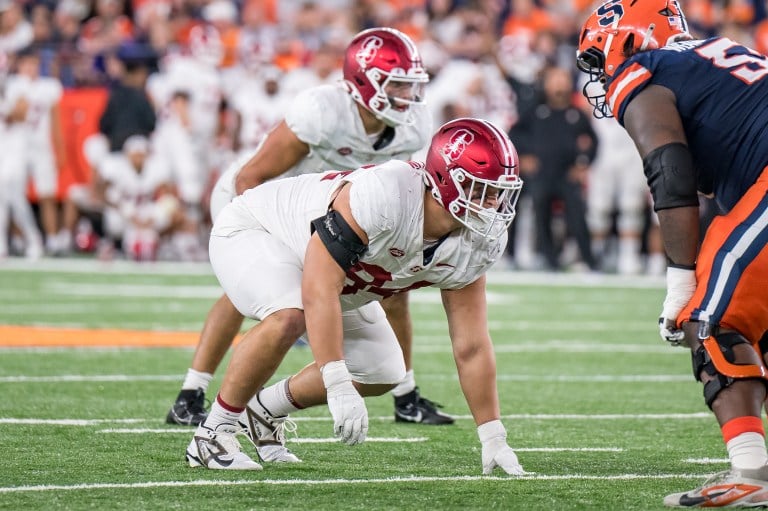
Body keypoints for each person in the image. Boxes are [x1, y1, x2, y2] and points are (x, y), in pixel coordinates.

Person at [185, 117, 526, 474]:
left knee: (383, 369)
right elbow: (318, 287)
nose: (493, 202)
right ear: (443, 180)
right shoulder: (387, 195)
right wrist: (336, 382)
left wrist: (493, 436)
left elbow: (470, 345)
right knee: (289, 315)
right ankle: (213, 432)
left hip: (339, 278)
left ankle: (264, 410)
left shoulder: (478, 241)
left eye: (498, 191)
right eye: (479, 189)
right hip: (259, 231)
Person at [166, 27, 455, 430]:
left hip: (338, 210)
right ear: (362, 82)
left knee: (393, 289)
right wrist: (258, 243)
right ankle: (191, 394)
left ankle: (405, 395)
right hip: (263, 201)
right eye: (396, 86)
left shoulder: (412, 124)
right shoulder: (322, 111)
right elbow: (252, 177)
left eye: (411, 86)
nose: (408, 98)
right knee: (254, 297)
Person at [577, 0, 768, 507]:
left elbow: (671, 171)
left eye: (599, 58)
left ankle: (752, 472)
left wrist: (680, 282)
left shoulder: (645, 69)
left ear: (629, 40)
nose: (601, 76)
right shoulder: (720, 56)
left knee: (709, 319)